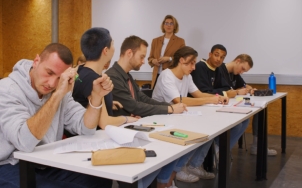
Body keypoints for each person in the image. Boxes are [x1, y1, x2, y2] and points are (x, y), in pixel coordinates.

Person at [0, 43, 113, 188]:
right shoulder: (6, 90)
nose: (51, 83)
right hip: (1, 166)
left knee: (99, 179)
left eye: (59, 78)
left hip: (41, 164)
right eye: (49, 73)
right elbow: (24, 142)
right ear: (36, 61)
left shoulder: (59, 91)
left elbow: (86, 128)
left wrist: (96, 96)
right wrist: (57, 96)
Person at [106, 35, 186, 188]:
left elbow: (142, 98)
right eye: (142, 56)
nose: (144, 61)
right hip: (121, 135)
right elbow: (134, 106)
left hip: (132, 129)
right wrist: (169, 109)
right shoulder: (113, 77)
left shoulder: (126, 76)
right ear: (129, 53)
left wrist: (168, 107)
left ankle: (161, 183)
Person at [153, 46, 228, 184]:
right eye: (192, 63)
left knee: (208, 130)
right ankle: (175, 173)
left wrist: (216, 97)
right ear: (182, 60)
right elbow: (179, 100)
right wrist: (210, 99)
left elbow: (198, 94)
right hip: (160, 119)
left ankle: (187, 167)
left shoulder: (186, 76)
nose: (194, 67)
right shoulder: (166, 75)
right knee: (193, 133)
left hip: (177, 116)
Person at [73, 27, 138, 128]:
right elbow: (104, 123)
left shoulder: (81, 70)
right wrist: (126, 119)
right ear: (105, 51)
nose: (114, 48)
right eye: (112, 44)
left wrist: (107, 102)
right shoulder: (93, 79)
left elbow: (85, 101)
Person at [191, 44, 250, 151]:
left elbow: (226, 87)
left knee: (244, 121)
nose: (219, 59)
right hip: (199, 106)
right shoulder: (200, 67)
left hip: (213, 105)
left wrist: (224, 93)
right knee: (232, 124)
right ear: (210, 54)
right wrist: (224, 93)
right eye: (216, 55)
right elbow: (204, 91)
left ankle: (220, 149)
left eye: (222, 57)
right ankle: (216, 151)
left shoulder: (218, 68)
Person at [217, 54, 277, 156]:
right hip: (221, 106)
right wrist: (236, 91)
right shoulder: (219, 70)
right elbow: (221, 91)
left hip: (233, 104)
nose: (242, 72)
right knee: (240, 123)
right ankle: (220, 150)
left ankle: (254, 146)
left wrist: (249, 89)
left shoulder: (235, 73)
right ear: (238, 61)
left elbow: (245, 85)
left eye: (244, 71)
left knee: (254, 113)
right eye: (242, 69)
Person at [147, 15, 185, 89]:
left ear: (175, 26)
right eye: (166, 23)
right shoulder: (155, 41)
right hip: (157, 75)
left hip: (171, 75)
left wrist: (169, 58)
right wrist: (153, 61)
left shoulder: (180, 41)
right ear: (163, 25)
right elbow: (150, 58)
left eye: (171, 23)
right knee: (156, 99)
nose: (169, 25)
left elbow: (183, 59)